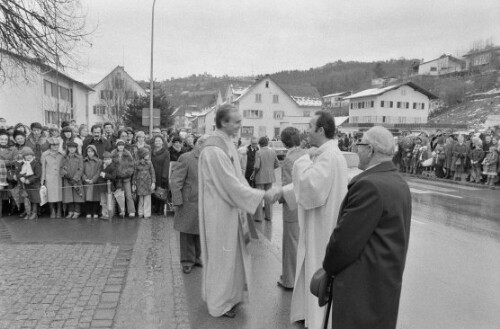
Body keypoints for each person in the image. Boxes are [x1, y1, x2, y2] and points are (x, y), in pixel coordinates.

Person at [322, 126, 411, 329]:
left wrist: (328, 269)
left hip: (361, 287)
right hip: (385, 283)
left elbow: (344, 243)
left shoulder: (369, 185)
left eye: (359, 144)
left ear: (370, 149)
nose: (356, 148)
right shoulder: (398, 182)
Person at [198, 104, 277, 318]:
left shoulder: (227, 143)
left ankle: (231, 297)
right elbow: (229, 185)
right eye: (237, 122)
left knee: (232, 257)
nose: (240, 126)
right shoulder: (214, 149)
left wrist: (251, 194)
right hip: (219, 211)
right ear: (223, 122)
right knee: (221, 258)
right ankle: (218, 304)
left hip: (230, 209)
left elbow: (238, 178)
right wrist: (261, 196)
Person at [279, 111, 348, 329]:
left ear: (321, 130)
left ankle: (316, 320)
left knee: (316, 265)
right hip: (320, 221)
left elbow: (311, 188)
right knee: (309, 264)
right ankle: (308, 314)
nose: (306, 130)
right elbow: (310, 184)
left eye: (310, 125)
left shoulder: (327, 155)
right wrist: (282, 193)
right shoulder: (325, 153)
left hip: (322, 225)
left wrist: (301, 159)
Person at [171, 135, 208, 274]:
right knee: (187, 232)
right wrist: (178, 200)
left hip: (205, 201)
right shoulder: (186, 158)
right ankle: (187, 261)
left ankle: (197, 258)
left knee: (200, 231)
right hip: (188, 201)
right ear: (199, 145)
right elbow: (175, 181)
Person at [277, 127, 306, 290]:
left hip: (292, 205)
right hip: (304, 204)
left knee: (291, 243)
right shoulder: (306, 154)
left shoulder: (289, 159)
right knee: (300, 242)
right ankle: (296, 277)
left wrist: (278, 197)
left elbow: (288, 185)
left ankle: (289, 279)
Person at [253, 136, 279, 222]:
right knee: (268, 197)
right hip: (270, 177)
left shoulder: (258, 152)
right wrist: (270, 169)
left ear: (260, 144)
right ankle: (269, 216)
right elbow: (277, 164)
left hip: (260, 177)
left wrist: (253, 174)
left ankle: (258, 217)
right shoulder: (273, 152)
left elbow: (257, 166)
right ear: (267, 143)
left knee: (259, 197)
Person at [111, 140, 136, 218]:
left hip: (126, 178)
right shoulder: (113, 154)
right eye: (119, 145)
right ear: (117, 146)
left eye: (122, 145)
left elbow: (131, 166)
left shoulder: (128, 154)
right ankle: (122, 211)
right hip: (117, 178)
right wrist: (116, 174)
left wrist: (127, 173)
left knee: (128, 195)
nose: (121, 146)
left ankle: (131, 211)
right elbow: (111, 166)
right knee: (119, 195)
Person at [41, 137, 64, 218]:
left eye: (57, 145)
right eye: (53, 145)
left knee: (59, 194)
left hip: (59, 177)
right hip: (49, 177)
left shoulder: (62, 154)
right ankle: (52, 211)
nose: (55, 147)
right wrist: (42, 180)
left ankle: (59, 210)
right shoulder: (45, 154)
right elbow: (43, 168)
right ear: (49, 145)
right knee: (50, 195)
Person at [61, 141, 84, 219]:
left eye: (73, 148)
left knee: (77, 195)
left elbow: (81, 169)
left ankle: (77, 211)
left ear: (76, 148)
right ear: (68, 148)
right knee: (69, 196)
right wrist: (65, 174)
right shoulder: (64, 157)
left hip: (76, 180)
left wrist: (75, 178)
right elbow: (61, 167)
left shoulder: (79, 157)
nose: (72, 149)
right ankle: (70, 212)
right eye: (70, 148)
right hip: (67, 180)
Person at [17, 147, 42, 220]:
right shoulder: (22, 163)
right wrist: (20, 177)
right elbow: (18, 172)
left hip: (33, 184)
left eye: (30, 154)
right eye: (27, 155)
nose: (29, 156)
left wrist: (30, 180)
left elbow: (38, 175)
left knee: (34, 199)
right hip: (24, 185)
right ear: (24, 156)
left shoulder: (36, 163)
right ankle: (28, 212)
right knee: (27, 199)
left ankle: (34, 213)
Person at [132, 148, 155, 219]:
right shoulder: (136, 163)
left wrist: (153, 182)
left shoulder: (150, 163)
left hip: (148, 182)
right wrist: (133, 183)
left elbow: (152, 173)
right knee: (141, 199)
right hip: (139, 182)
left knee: (147, 198)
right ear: (142, 155)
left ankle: (147, 214)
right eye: (147, 154)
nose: (148, 156)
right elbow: (135, 174)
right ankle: (140, 213)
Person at [150, 135, 170, 215]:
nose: (157, 142)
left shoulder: (166, 152)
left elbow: (166, 165)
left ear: (162, 142)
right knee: (154, 192)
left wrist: (164, 176)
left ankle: (160, 209)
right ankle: (154, 208)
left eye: (159, 141)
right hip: (153, 174)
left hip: (161, 175)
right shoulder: (151, 151)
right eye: (156, 141)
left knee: (161, 192)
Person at [82, 145, 102, 219]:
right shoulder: (84, 161)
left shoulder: (99, 161)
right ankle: (88, 212)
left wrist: (93, 180)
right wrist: (85, 179)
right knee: (88, 198)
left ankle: (95, 212)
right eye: (88, 151)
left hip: (95, 182)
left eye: (92, 151)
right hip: (87, 182)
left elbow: (98, 171)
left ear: (95, 152)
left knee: (96, 198)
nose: (90, 153)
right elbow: (82, 171)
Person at [97, 152, 117, 219]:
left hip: (109, 187)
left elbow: (113, 176)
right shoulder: (102, 166)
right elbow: (99, 173)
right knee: (103, 201)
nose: (106, 161)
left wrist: (105, 175)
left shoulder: (113, 166)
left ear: (111, 159)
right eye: (105, 159)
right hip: (102, 187)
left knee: (110, 201)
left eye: (108, 159)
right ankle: (104, 214)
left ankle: (110, 214)